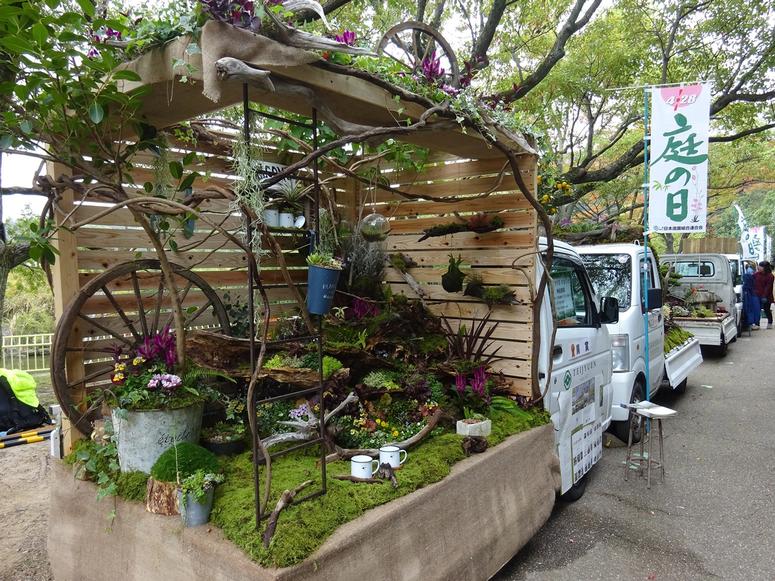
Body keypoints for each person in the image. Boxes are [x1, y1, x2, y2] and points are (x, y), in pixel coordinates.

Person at [753, 261, 774, 329]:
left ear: (765, 267)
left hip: (767, 296)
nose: (758, 267)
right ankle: (757, 324)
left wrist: (764, 296)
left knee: (766, 309)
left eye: (760, 266)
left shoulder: (770, 276)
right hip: (757, 295)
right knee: (757, 310)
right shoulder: (756, 274)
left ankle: (770, 322)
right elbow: (751, 279)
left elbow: (768, 287)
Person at [743, 263, 761, 330]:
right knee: (754, 309)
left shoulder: (747, 276)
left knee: (750, 309)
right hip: (753, 294)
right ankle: (754, 323)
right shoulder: (752, 276)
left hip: (750, 295)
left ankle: (751, 323)